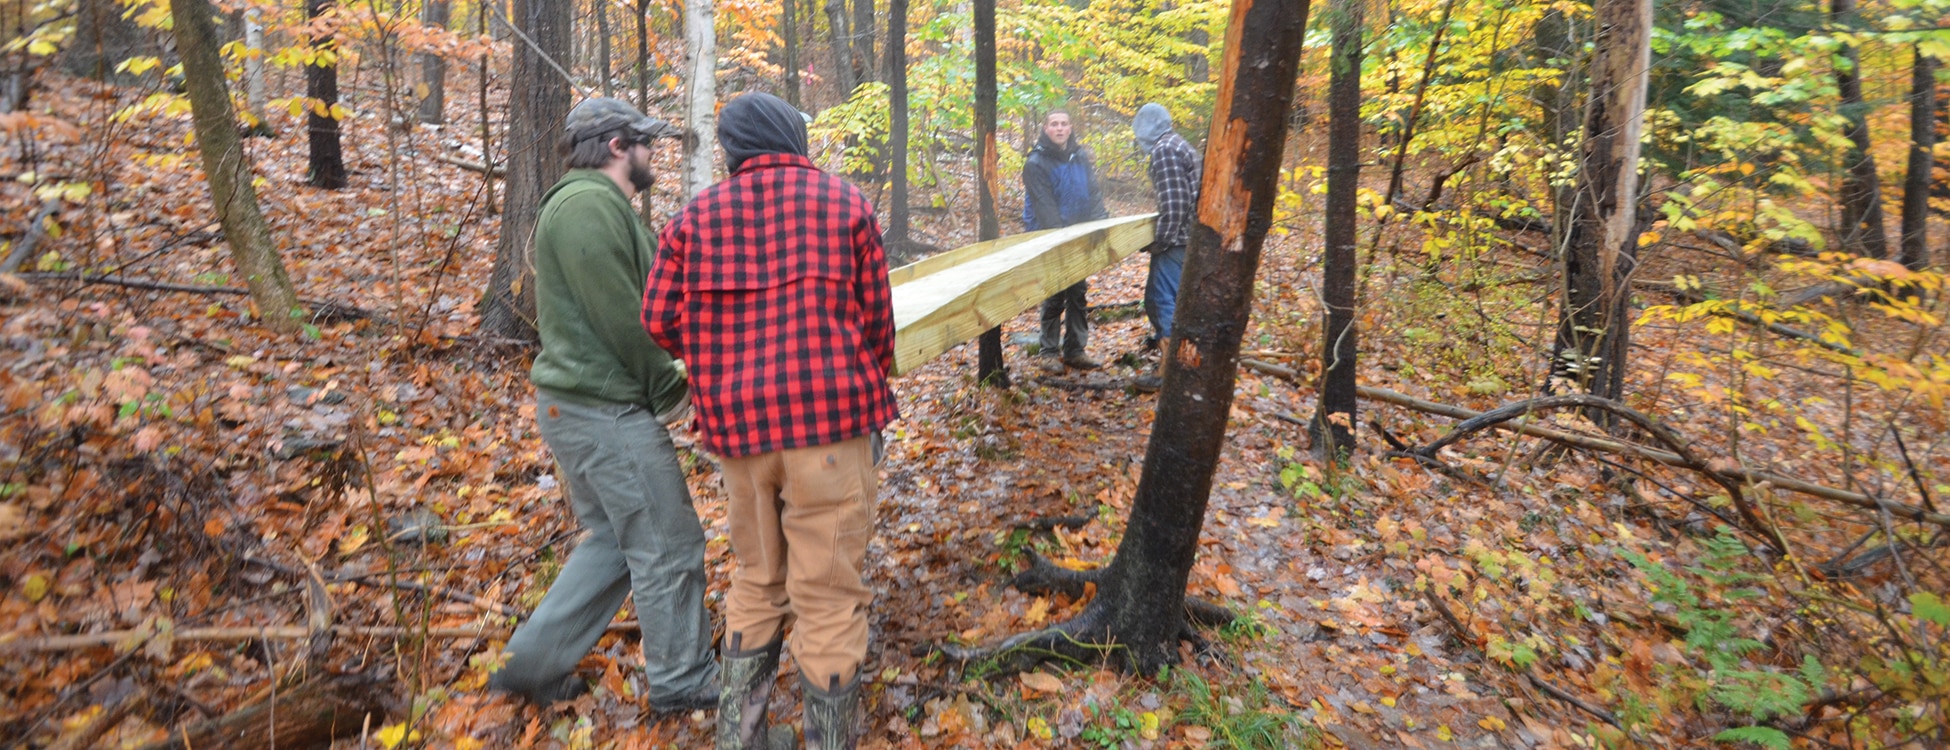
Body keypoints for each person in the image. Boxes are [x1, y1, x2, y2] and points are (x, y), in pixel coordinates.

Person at [642, 92, 897, 750]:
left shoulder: (693, 219)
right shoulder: (846, 205)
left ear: (731, 150)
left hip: (740, 436)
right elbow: (878, 326)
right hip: (832, 432)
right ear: (795, 137)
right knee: (829, 589)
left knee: (757, 579)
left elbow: (659, 321)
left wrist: (720, 357)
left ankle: (743, 738)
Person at [488, 97, 720, 713]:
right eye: (644, 142)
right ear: (618, 146)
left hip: (584, 407)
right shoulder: (587, 205)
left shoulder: (596, 204)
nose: (652, 153)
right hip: (603, 412)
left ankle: (529, 665)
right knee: (668, 545)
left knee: (618, 542)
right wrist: (674, 392)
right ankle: (684, 682)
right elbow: (627, 318)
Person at [1022, 110, 1111, 372]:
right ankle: (1048, 352)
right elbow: (1044, 206)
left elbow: (1092, 191)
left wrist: (1101, 222)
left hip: (1079, 233)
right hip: (1051, 235)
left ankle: (1075, 350)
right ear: (1045, 128)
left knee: (1078, 293)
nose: (1059, 129)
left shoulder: (1079, 156)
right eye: (1054, 124)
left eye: (1064, 124)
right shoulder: (1036, 163)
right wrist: (1059, 237)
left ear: (1070, 128)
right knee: (1054, 294)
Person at [1132, 102, 1202, 393]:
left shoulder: (1164, 151)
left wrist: (1159, 242)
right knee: (1167, 300)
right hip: (1189, 239)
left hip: (1178, 241)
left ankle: (1168, 373)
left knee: (1162, 302)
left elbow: (1175, 205)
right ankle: (1177, 365)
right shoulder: (1178, 144)